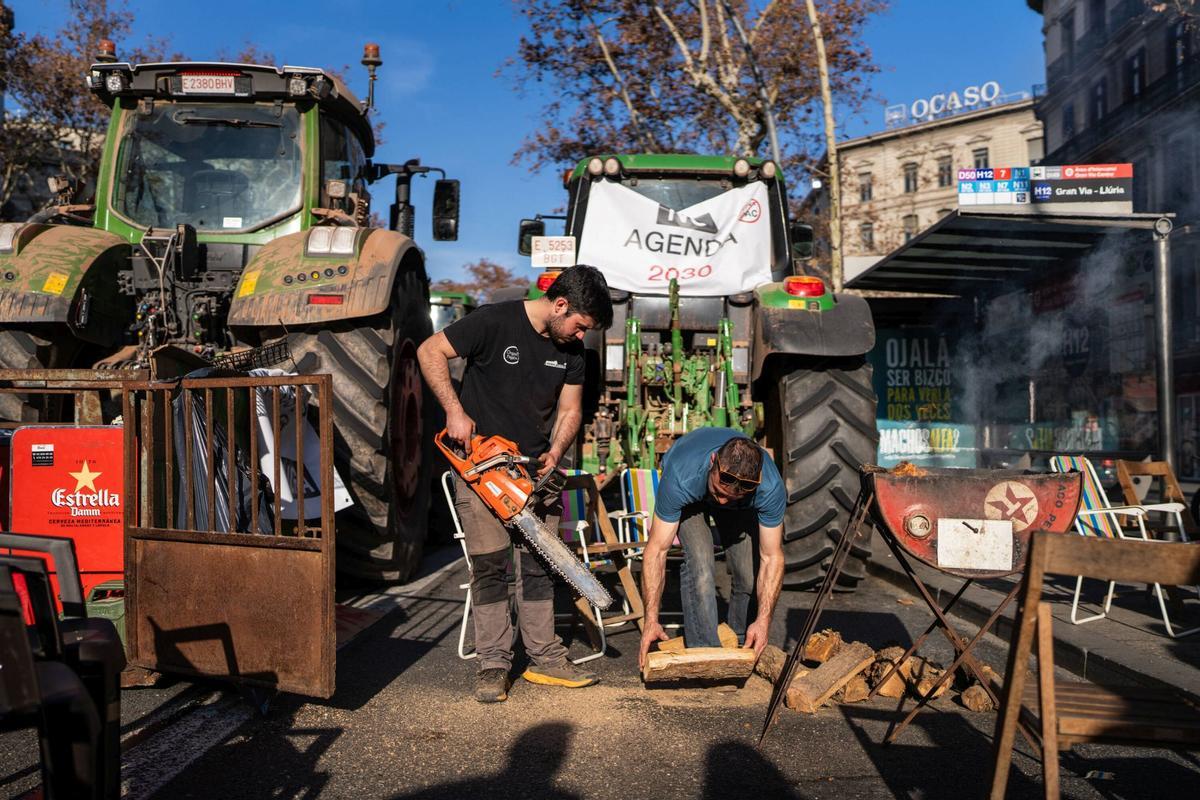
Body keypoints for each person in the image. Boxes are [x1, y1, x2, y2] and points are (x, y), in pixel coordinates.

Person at [418, 265, 613, 703]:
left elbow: (569, 411)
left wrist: (557, 451)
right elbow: (430, 351)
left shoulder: (572, 352)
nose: (581, 336)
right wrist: (453, 410)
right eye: (580, 325)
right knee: (489, 566)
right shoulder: (493, 321)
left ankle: (545, 658)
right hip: (481, 468)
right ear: (560, 305)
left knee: (541, 565)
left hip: (533, 473)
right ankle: (493, 664)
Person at [636, 428, 786, 669]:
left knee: (748, 575)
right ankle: (706, 654)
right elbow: (656, 551)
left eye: (733, 496)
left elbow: (772, 557)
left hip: (742, 506)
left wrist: (763, 621)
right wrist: (650, 620)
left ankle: (741, 645)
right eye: (719, 491)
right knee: (701, 565)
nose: (723, 501)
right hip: (693, 497)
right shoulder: (681, 476)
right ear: (713, 461)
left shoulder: (769, 488)